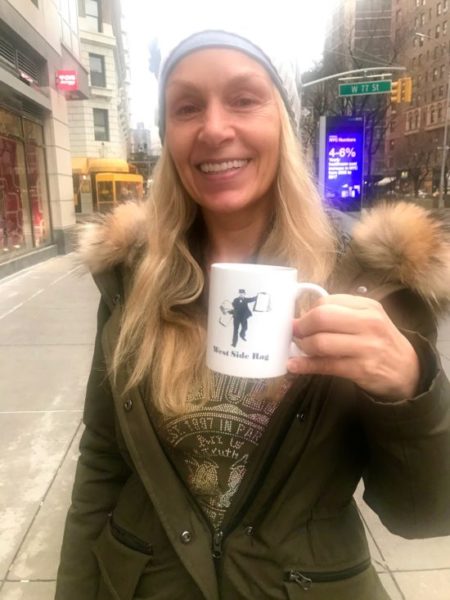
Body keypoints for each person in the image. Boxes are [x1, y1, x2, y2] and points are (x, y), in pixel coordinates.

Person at [55, 29, 450, 600]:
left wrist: (409, 386)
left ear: (285, 123)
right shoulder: (131, 276)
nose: (214, 128)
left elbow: (426, 512)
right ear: (167, 135)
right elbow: (101, 461)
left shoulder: (374, 279)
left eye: (244, 99)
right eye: (186, 107)